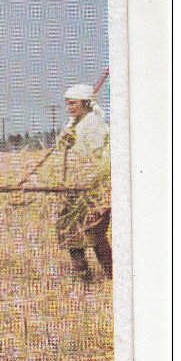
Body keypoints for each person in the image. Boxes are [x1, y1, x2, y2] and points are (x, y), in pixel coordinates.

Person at [53, 83, 112, 282]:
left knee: (94, 236)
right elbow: (61, 154)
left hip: (92, 190)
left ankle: (112, 278)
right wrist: (64, 141)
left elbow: (96, 157)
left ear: (86, 103)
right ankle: (85, 280)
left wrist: (87, 181)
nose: (69, 108)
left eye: (73, 104)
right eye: (68, 104)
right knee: (70, 237)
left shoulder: (94, 123)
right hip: (71, 189)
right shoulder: (72, 124)